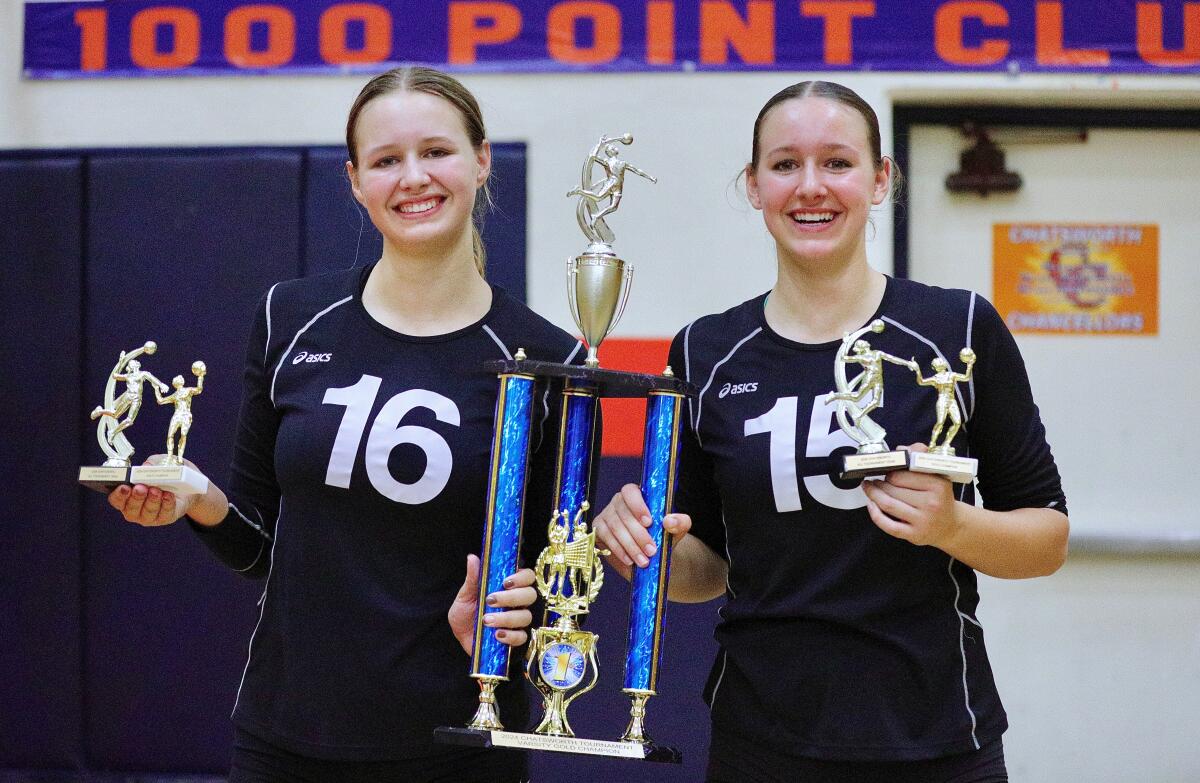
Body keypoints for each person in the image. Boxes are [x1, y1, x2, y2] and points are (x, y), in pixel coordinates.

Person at [107, 67, 585, 783]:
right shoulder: (290, 318)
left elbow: (557, 588)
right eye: (387, 160)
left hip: (457, 744)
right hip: (286, 738)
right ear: (355, 180)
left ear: (483, 159)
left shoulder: (551, 358)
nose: (413, 177)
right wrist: (197, 498)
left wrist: (514, 621)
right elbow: (261, 549)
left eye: (437, 151)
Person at [595, 81, 1068, 783]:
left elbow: (1047, 539)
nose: (810, 187)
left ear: (881, 179)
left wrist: (950, 523)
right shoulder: (705, 350)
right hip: (761, 740)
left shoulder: (958, 330)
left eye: (837, 163)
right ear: (753, 186)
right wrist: (643, 548)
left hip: (935, 738)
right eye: (785, 165)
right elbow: (707, 568)